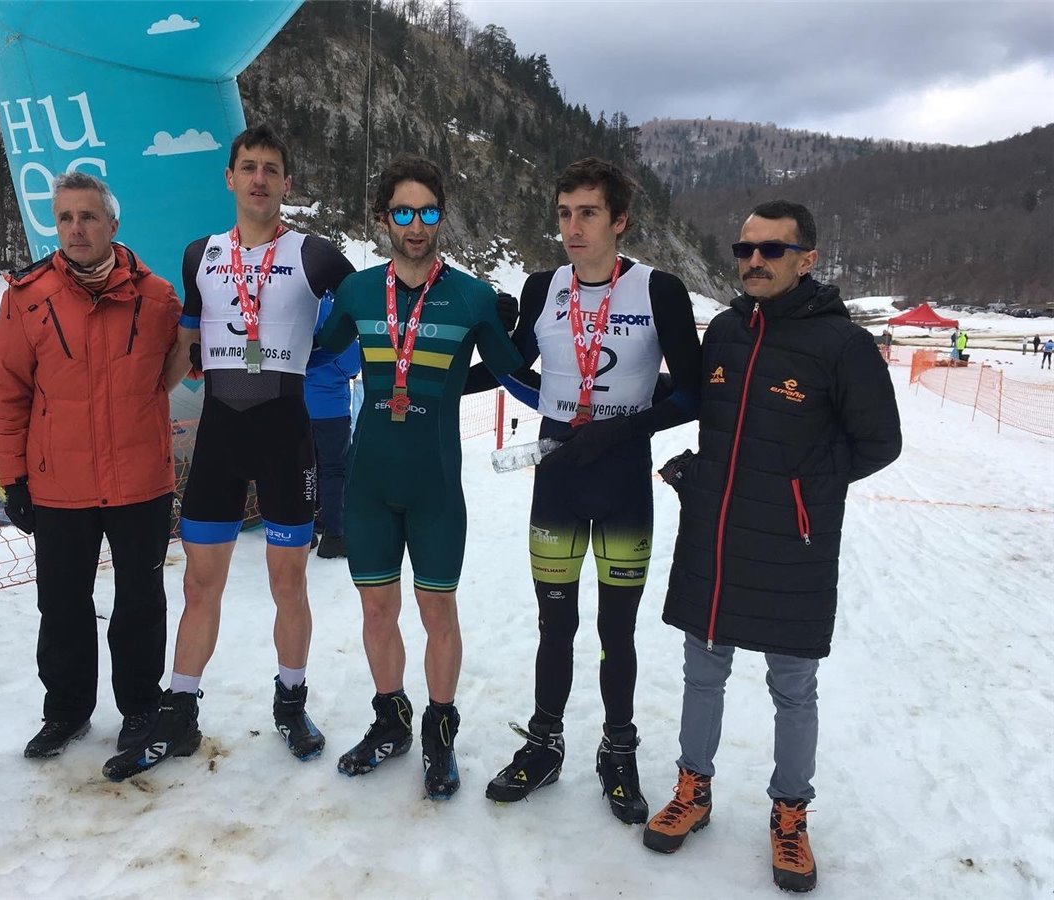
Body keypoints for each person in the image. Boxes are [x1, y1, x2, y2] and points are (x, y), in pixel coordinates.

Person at [645, 200, 902, 893]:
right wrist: (698, 470)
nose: (753, 261)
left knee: (792, 686)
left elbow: (881, 441)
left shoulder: (842, 344)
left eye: (771, 250)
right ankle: (693, 790)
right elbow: (710, 411)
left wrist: (800, 488)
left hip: (792, 543)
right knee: (703, 672)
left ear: (807, 259)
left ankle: (790, 814)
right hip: (716, 536)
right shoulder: (728, 331)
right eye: (744, 249)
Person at [103, 125, 355, 781]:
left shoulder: (314, 254)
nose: (259, 179)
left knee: (288, 582)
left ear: (287, 183)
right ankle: (180, 712)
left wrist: (328, 354)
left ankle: (291, 701)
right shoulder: (201, 254)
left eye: (271, 168)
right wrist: (140, 407)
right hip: (220, 435)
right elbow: (186, 341)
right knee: (198, 583)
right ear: (230, 177)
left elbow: (366, 309)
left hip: (287, 436)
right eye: (249, 167)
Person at [465, 157, 702, 825]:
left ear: (620, 220)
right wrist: (455, 359)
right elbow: (509, 366)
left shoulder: (659, 290)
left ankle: (618, 749)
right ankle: (545, 743)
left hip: (621, 478)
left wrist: (623, 429)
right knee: (555, 624)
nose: (572, 227)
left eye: (588, 213)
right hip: (559, 480)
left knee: (616, 630)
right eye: (565, 213)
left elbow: (692, 393)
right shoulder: (543, 286)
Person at [316, 155, 523, 800]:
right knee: (377, 610)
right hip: (369, 486)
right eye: (402, 212)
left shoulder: (472, 297)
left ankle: (439, 731)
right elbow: (311, 351)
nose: (415, 225)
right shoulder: (357, 293)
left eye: (427, 212)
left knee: (438, 610)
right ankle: (391, 723)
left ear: (441, 216)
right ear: (383, 218)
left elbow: (517, 371)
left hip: (435, 489)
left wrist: (528, 320)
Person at [0, 171, 182, 761]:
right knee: (62, 606)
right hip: (58, 486)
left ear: (112, 224)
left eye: (88, 216)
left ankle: (141, 705)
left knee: (140, 603)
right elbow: (7, 393)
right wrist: (13, 477)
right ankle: (67, 711)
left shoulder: (157, 298)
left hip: (140, 482)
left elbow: (187, 362)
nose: (76, 228)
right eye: (66, 217)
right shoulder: (26, 297)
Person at [305, 296, 360, 559]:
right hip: (330, 409)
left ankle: (303, 532)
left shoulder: (296, 304)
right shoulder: (333, 309)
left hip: (295, 405)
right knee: (334, 471)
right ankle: (334, 535)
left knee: (302, 470)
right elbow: (351, 362)